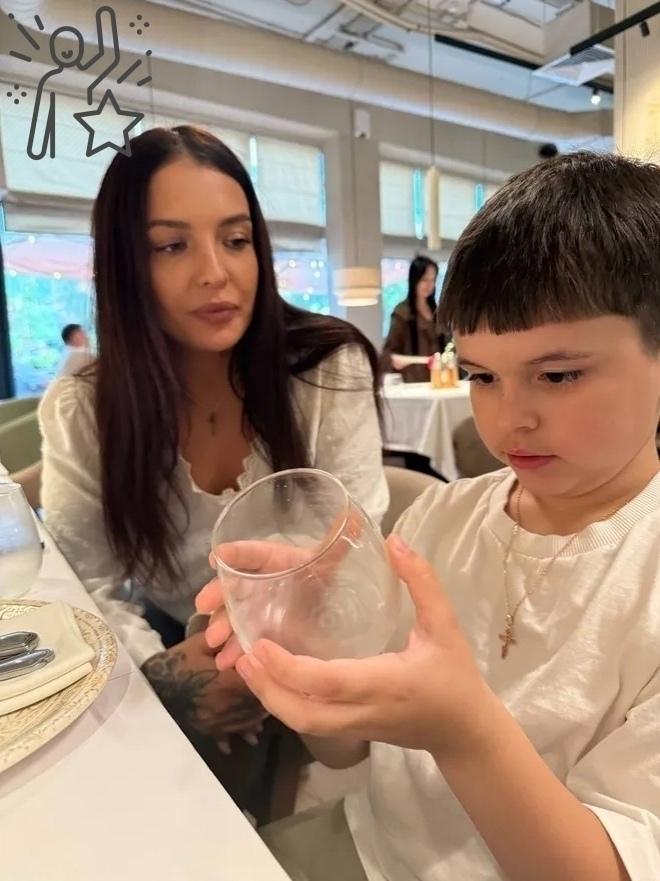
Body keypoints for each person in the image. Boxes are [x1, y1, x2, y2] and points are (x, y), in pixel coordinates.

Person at [198, 152, 660, 880]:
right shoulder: (441, 518)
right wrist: (312, 639)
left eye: (557, 374)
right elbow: (347, 751)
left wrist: (462, 730)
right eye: (481, 375)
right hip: (367, 846)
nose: (509, 418)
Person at [39, 125, 388, 815]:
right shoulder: (85, 408)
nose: (215, 272)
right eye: (172, 246)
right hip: (175, 662)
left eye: (235, 239)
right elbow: (86, 588)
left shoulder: (324, 369)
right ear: (126, 264)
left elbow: (350, 545)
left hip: (326, 658)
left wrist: (246, 661)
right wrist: (169, 678)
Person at [381, 255, 449, 383]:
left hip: (439, 380)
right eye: (424, 280)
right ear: (414, 280)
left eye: (432, 280)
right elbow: (389, 354)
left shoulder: (437, 311)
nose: (429, 285)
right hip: (413, 382)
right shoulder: (402, 312)